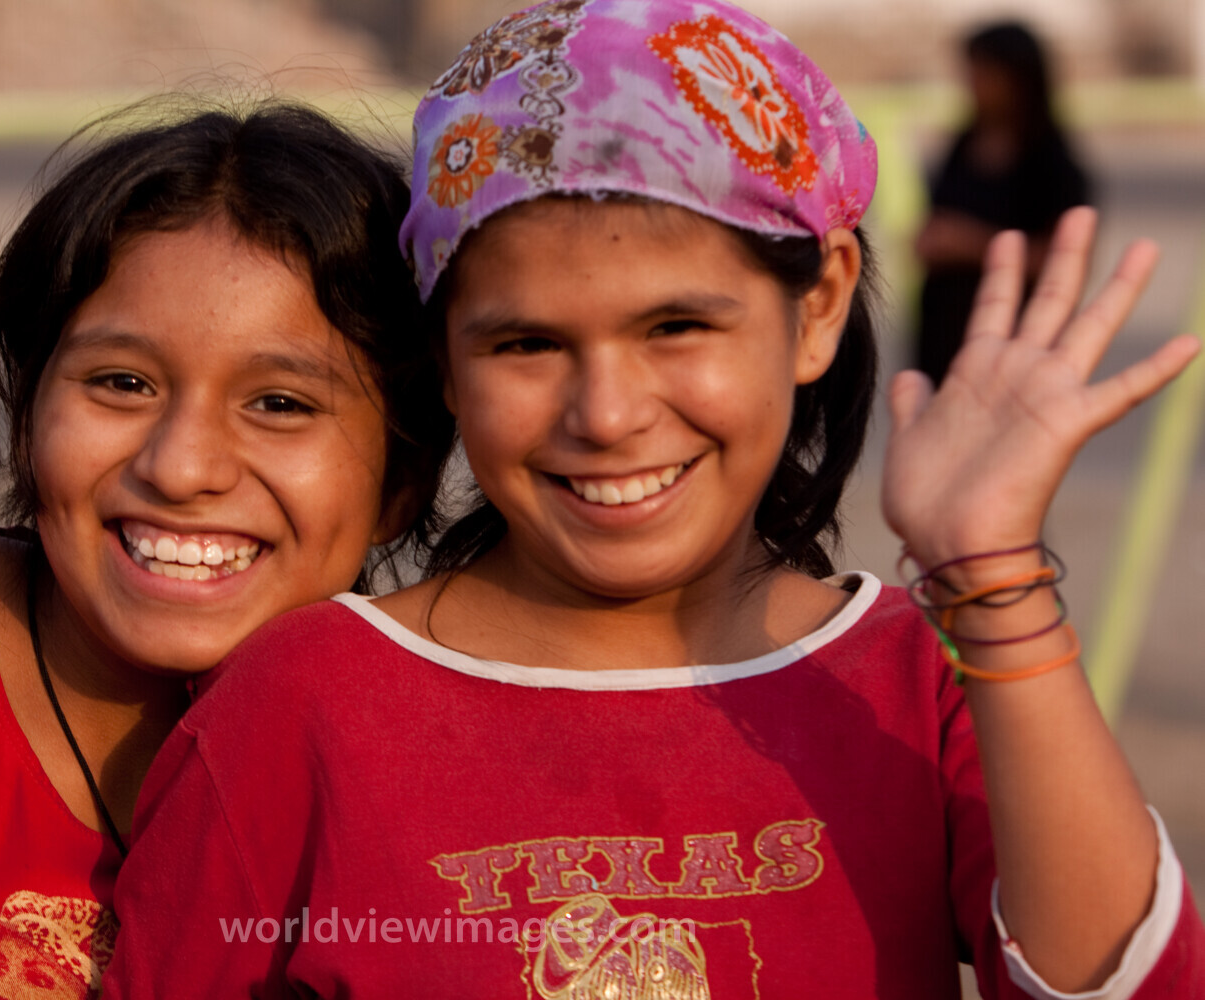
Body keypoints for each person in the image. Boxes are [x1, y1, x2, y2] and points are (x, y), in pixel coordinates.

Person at [104, 2, 1205, 997]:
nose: (608, 413)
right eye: (526, 343)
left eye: (677, 327)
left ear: (816, 306)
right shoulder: (303, 701)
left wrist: (995, 576)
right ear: (445, 361)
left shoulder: (919, 679)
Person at [0, 103, 451, 997]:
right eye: (122, 384)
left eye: (281, 403)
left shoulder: (430, 785)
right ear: (27, 418)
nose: (181, 467)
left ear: (402, 482)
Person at [915, 21, 1091, 385]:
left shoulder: (1054, 165)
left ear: (1020, 80)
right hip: (943, 339)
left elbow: (1063, 259)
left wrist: (971, 244)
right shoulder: (962, 146)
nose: (974, 85)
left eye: (985, 74)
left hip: (1015, 343)